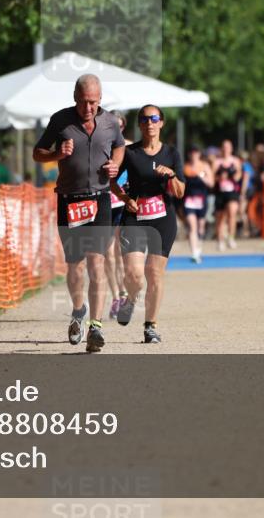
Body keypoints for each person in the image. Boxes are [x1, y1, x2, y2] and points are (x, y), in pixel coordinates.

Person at [32, 74, 124, 352]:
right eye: (84, 102)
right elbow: (37, 152)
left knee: (97, 262)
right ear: (75, 98)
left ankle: (96, 327)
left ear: (100, 99)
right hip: (70, 201)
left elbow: (119, 146)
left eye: (94, 102)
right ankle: (78, 311)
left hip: (100, 199)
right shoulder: (60, 120)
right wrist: (56, 155)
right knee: (75, 265)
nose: (88, 108)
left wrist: (115, 166)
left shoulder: (109, 122)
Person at [111, 105, 185, 343]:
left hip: (163, 218)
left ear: (161, 123)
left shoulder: (172, 153)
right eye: (144, 119)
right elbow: (112, 182)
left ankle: (150, 326)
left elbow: (181, 192)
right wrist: (124, 199)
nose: (149, 123)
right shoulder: (130, 152)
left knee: (154, 273)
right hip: (135, 216)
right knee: (134, 274)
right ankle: (130, 300)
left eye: (154, 118)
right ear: (140, 124)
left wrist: (172, 175)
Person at [106, 111, 131, 318]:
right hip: (104, 202)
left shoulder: (131, 147)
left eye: (120, 126)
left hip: (122, 203)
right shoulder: (99, 145)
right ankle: (115, 297)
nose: (117, 130)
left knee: (121, 253)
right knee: (107, 253)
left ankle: (123, 293)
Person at [182, 146, 214, 264]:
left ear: (199, 154)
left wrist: (201, 176)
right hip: (189, 201)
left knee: (201, 227)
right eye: (191, 152)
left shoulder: (205, 166)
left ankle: (199, 248)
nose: (193, 155)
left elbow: (211, 184)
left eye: (196, 152)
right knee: (192, 226)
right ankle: (194, 253)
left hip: (201, 200)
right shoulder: (185, 167)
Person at [213, 140, 242, 250]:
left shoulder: (235, 161)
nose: (226, 149)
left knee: (232, 212)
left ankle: (231, 237)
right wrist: (220, 178)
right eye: (224, 147)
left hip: (232, 191)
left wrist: (233, 176)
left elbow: (239, 175)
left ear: (231, 149)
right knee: (220, 218)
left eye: (228, 147)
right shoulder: (217, 162)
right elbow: (212, 177)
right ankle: (220, 240)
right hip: (220, 192)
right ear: (222, 149)